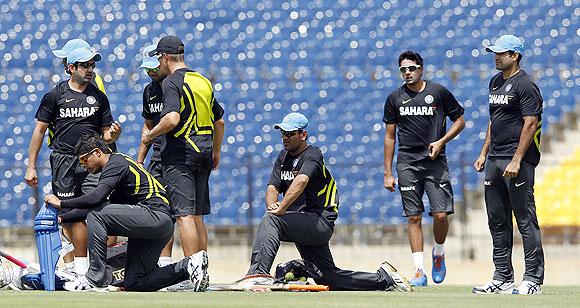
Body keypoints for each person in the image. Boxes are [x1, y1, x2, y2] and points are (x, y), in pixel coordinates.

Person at [246, 112, 413, 292]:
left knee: (272, 220)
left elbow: (301, 181)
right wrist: (272, 205)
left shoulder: (313, 154)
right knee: (330, 279)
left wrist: (280, 210)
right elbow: (273, 186)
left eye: (290, 133)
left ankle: (259, 274)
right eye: (283, 134)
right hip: (301, 223)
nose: (285, 138)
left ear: (303, 135)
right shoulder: (283, 157)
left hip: (318, 222)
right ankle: (385, 279)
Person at [44, 134, 209, 292]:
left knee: (96, 216)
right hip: (159, 225)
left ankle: (94, 278)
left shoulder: (115, 163)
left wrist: (61, 203)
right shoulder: (115, 169)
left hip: (154, 215)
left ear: (97, 152)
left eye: (84, 159)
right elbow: (97, 204)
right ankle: (189, 265)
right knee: (135, 281)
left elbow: (96, 199)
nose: (83, 165)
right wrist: (62, 218)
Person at [25, 46, 122, 279]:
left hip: (93, 162)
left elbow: (105, 134)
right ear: (71, 68)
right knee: (71, 212)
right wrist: (30, 165)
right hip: (64, 162)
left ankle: (102, 267)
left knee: (99, 208)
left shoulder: (99, 96)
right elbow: (39, 131)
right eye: (85, 65)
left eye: (92, 65)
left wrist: (114, 136)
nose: (90, 70)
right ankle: (78, 269)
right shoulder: (54, 96)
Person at [383, 50, 465, 286]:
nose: (407, 73)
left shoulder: (438, 92)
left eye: (411, 68)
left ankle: (438, 253)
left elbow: (460, 120)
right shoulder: (394, 98)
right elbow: (390, 137)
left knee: (440, 215)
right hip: (407, 162)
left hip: (434, 161)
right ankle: (419, 271)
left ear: (421, 69)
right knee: (413, 216)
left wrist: (441, 142)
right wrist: (388, 172)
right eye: (403, 70)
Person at [142, 36, 225, 268]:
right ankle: (203, 271)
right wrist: (216, 152)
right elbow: (220, 122)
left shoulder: (171, 82)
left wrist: (150, 135)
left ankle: (191, 273)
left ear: (165, 57)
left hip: (181, 154)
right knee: (197, 215)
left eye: (159, 58)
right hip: (205, 152)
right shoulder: (202, 81)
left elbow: (171, 118)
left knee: (183, 215)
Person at [472, 35, 544, 295]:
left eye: (501, 53)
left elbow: (530, 123)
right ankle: (502, 278)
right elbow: (495, 120)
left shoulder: (526, 85)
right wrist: (484, 152)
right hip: (494, 159)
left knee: (525, 220)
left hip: (517, 162)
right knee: (497, 220)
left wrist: (516, 159)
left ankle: (533, 279)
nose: (496, 56)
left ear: (515, 55)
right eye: (494, 52)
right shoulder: (494, 82)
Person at [136, 44, 173, 267]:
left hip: (178, 159)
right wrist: (140, 160)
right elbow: (147, 127)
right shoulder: (149, 91)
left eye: (153, 67)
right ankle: (160, 262)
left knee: (185, 214)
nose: (150, 72)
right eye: (146, 68)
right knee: (159, 210)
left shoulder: (176, 85)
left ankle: (175, 264)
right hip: (157, 159)